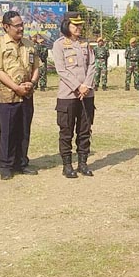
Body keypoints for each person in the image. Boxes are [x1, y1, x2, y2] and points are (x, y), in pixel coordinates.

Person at [0, 10, 40, 180]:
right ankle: (6, 165)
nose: (21, 28)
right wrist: (15, 87)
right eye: (17, 25)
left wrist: (32, 83)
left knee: (24, 130)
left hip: (26, 94)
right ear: (6, 27)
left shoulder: (29, 44)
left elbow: (36, 67)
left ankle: (22, 163)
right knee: (8, 131)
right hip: (8, 96)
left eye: (22, 25)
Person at [52, 11, 96, 178]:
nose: (78, 27)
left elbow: (92, 65)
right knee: (66, 131)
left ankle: (83, 163)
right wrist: (78, 86)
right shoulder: (59, 45)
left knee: (85, 130)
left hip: (87, 94)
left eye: (80, 25)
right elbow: (61, 69)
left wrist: (86, 86)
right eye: (74, 25)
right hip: (68, 95)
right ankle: (67, 165)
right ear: (66, 25)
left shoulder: (86, 44)